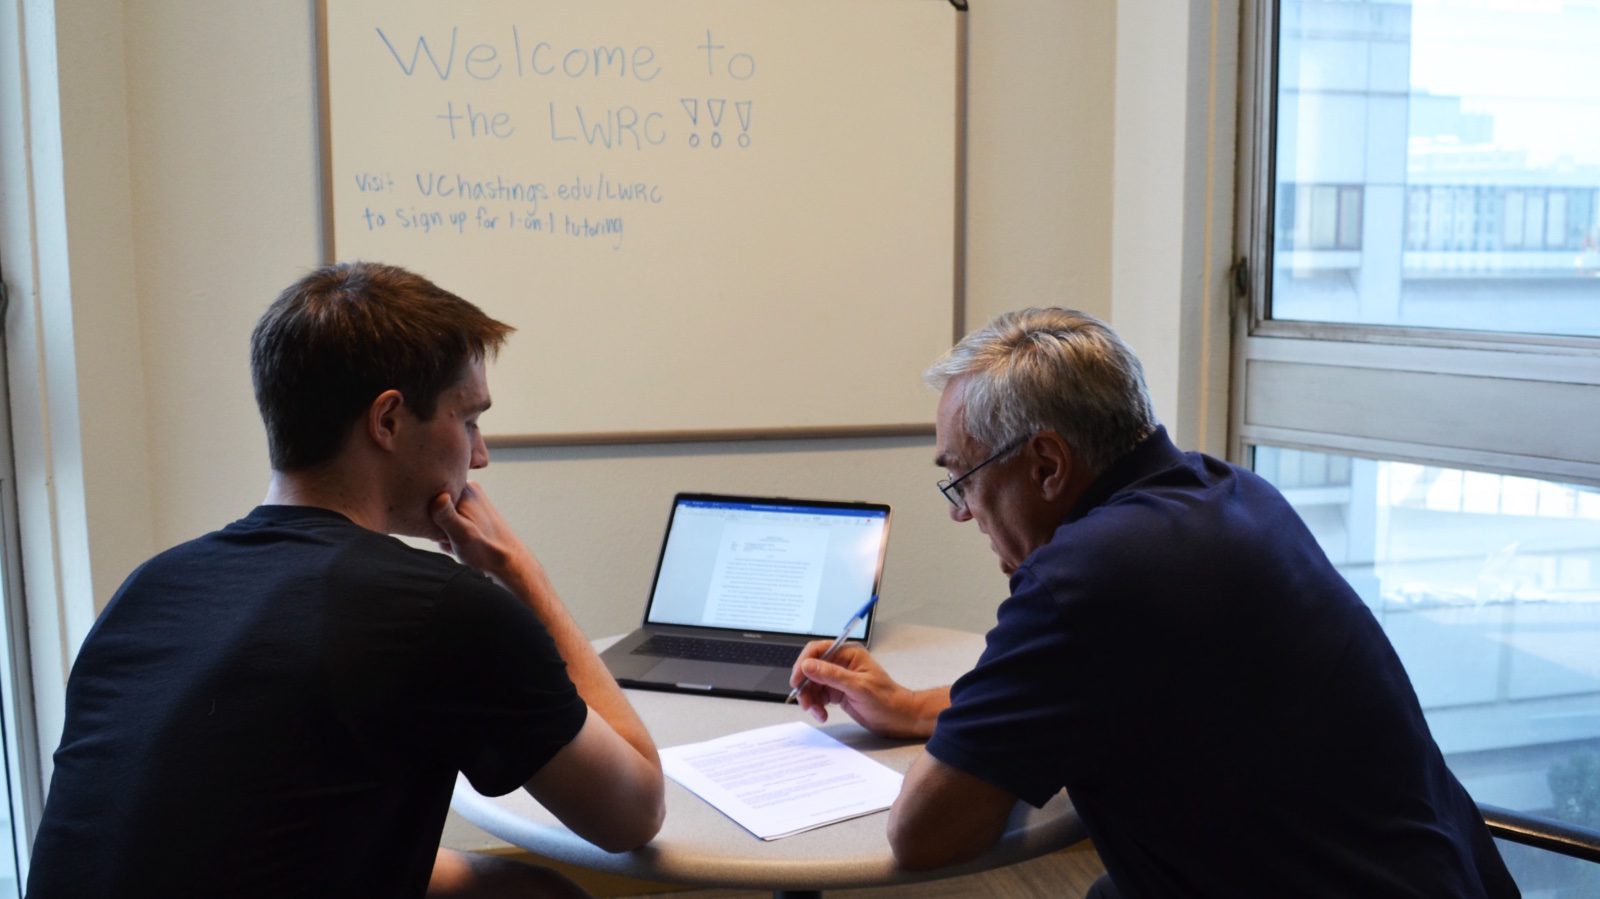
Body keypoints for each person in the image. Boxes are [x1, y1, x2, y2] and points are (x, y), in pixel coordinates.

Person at [790, 308, 1517, 897]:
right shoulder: (1230, 494)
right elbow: (1088, 682)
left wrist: (969, 748)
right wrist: (915, 708)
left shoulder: (1085, 579)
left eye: (964, 477)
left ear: (1046, 464)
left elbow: (922, 833)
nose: (962, 510)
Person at [27, 262, 664, 898]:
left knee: (521, 890)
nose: (479, 455)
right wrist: (518, 572)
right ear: (387, 421)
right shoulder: (442, 610)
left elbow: (215, 837)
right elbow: (632, 812)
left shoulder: (154, 588)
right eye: (467, 419)